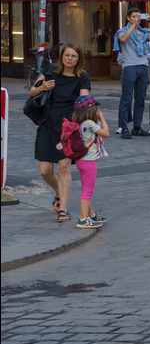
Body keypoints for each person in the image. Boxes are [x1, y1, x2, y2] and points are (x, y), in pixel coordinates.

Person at [29, 42, 90, 223]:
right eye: (67, 55)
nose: (70, 59)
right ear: (62, 56)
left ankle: (63, 209)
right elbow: (32, 91)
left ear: (79, 59)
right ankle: (58, 192)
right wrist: (43, 87)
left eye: (74, 56)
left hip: (68, 125)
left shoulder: (82, 77)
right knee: (45, 171)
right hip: (48, 122)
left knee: (64, 168)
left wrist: (86, 112)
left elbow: (84, 99)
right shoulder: (51, 70)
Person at [115, 6, 150, 139]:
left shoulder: (143, 32)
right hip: (129, 66)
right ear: (128, 18)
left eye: (139, 17)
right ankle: (123, 127)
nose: (137, 19)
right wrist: (132, 26)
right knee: (126, 98)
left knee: (140, 98)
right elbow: (123, 39)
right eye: (134, 16)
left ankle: (137, 127)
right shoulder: (121, 31)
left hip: (143, 66)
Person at [71, 95, 109, 229]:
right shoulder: (90, 123)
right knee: (88, 190)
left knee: (85, 188)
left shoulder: (78, 122)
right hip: (89, 161)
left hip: (81, 160)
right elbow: (106, 133)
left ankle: (91, 214)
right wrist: (102, 119)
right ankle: (83, 219)